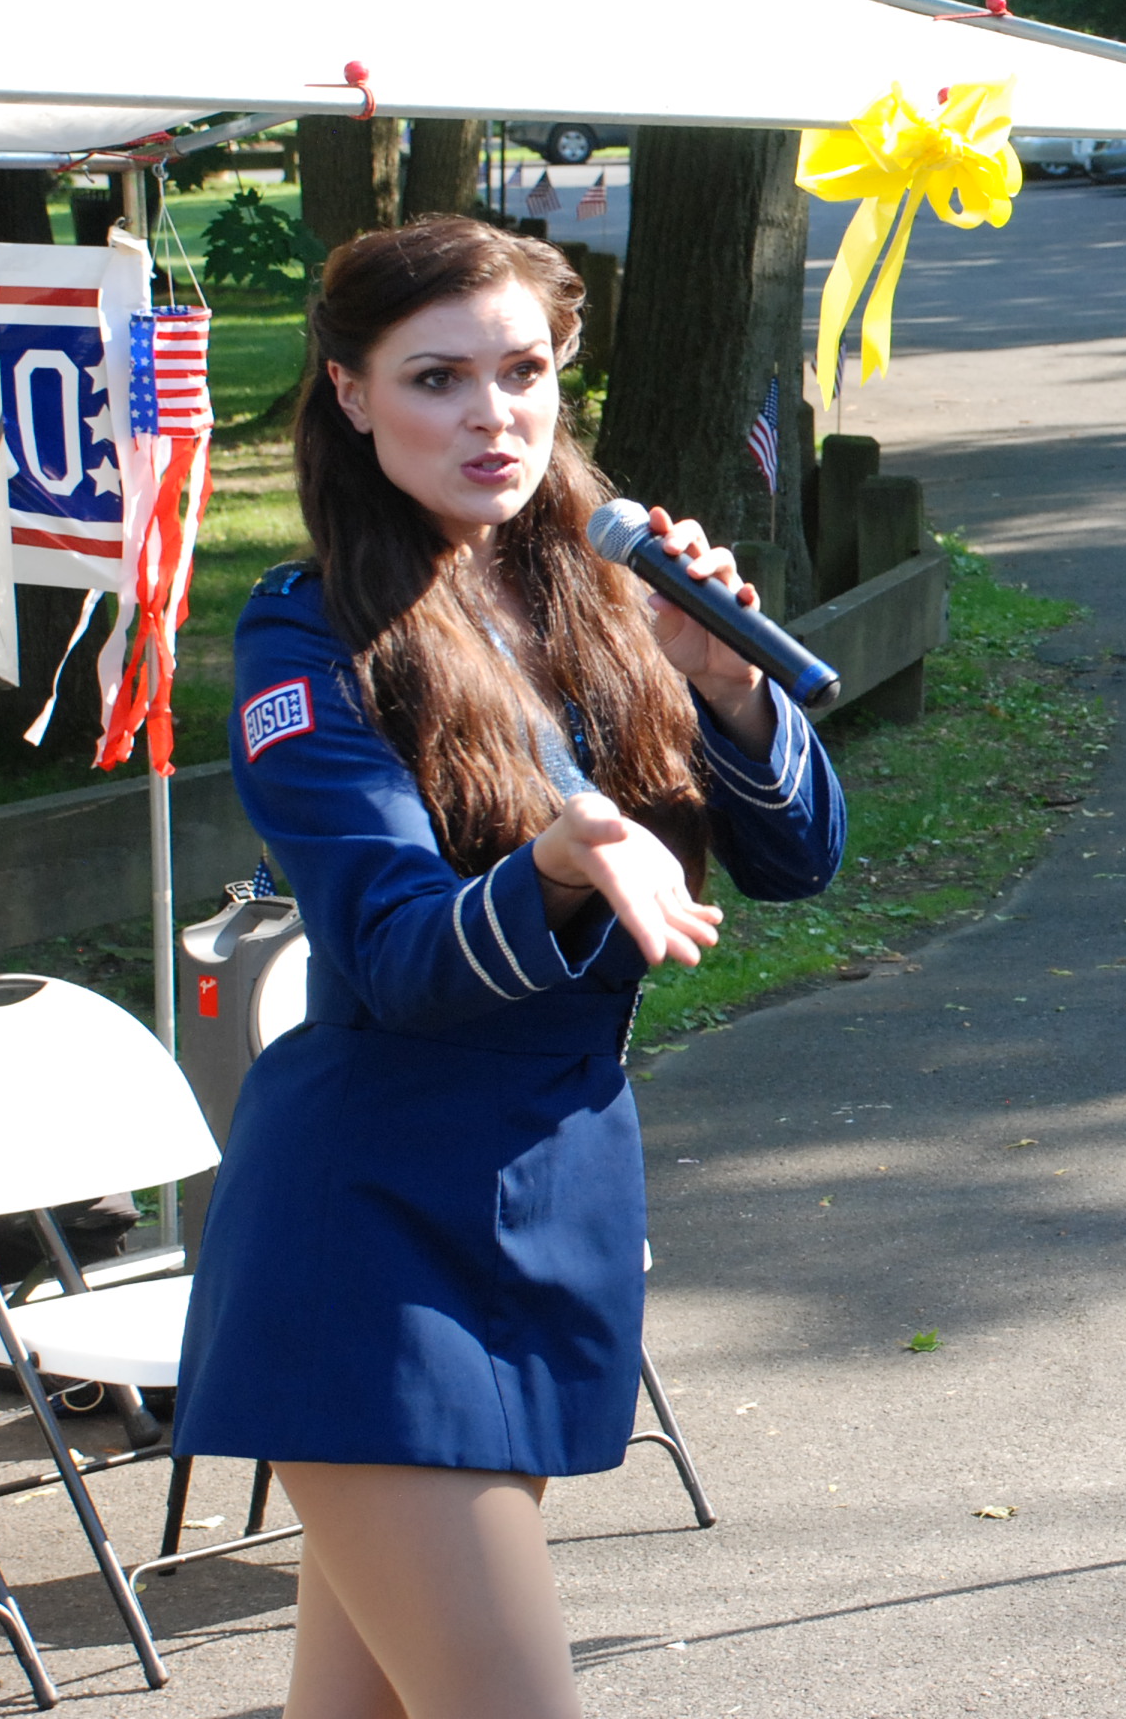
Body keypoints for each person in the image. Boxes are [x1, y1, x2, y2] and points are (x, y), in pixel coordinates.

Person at [175, 217, 845, 1719]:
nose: (493, 415)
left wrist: (728, 686)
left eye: (523, 372)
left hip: (550, 1192)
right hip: (371, 1228)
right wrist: (552, 859)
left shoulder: (604, 596)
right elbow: (396, 951)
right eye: (437, 378)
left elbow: (799, 859)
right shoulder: (309, 640)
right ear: (349, 393)